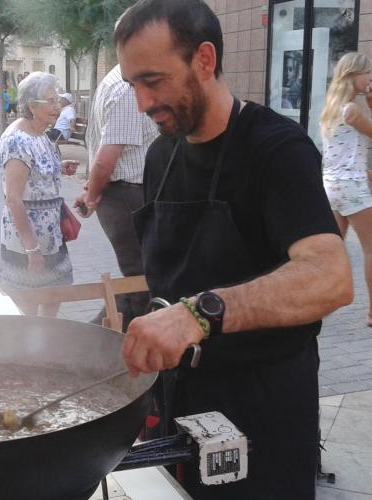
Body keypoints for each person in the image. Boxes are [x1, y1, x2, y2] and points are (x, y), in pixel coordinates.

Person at [114, 0, 353, 498]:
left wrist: (200, 314)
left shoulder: (277, 150)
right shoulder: (161, 154)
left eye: (153, 81)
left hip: (260, 406)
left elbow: (330, 277)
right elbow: (168, 278)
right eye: (132, 84)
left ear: (204, 59)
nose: (141, 102)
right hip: (176, 396)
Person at [73, 65, 158, 330]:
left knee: (137, 272)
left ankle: (104, 329)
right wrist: (92, 194)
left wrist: (91, 190)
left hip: (123, 193)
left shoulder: (116, 81)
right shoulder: (125, 88)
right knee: (142, 277)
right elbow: (108, 155)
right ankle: (120, 337)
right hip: (127, 195)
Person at [0, 72, 79, 317]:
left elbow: (34, 172)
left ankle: (47, 345)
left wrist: (60, 168)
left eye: (58, 101)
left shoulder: (41, 133)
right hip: (28, 243)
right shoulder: (16, 141)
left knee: (55, 295)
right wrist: (32, 249)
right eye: (51, 101)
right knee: (29, 306)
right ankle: (32, 353)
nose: (58, 107)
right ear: (32, 106)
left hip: (51, 236)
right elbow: (13, 198)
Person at [320, 52, 372, 326]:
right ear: (353, 75)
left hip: (333, 187)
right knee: (371, 249)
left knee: (331, 250)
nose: (371, 78)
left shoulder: (332, 109)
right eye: (367, 73)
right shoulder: (352, 111)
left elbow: (342, 153)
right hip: (352, 188)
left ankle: (318, 304)